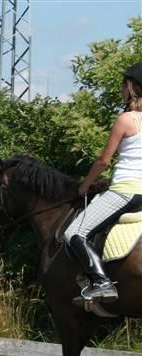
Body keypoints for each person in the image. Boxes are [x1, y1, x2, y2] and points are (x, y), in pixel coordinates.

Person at [64, 61, 142, 302]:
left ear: (131, 87)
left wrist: (85, 185)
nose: (121, 90)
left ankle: (101, 282)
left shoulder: (127, 119)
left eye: (123, 85)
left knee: (74, 233)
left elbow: (103, 160)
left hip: (125, 192)